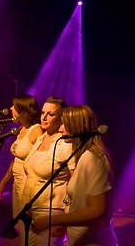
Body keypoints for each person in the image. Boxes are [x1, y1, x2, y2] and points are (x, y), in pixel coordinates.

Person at [32, 104, 117, 246]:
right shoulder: (84, 156)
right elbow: (81, 204)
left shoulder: (93, 158)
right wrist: (66, 225)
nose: (60, 129)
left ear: (79, 126)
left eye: (64, 124)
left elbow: (98, 211)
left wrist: (51, 220)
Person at [21, 96, 75, 246]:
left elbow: (76, 181)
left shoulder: (65, 143)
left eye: (50, 114)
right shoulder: (40, 139)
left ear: (61, 118)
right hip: (31, 209)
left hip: (52, 211)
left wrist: (66, 218)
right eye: (43, 112)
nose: (44, 117)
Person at [0, 94, 43, 241]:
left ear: (22, 110)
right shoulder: (21, 129)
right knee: (19, 224)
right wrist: (3, 182)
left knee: (27, 225)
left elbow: (40, 161)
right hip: (17, 183)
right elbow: (17, 160)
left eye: (14, 107)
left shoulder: (36, 131)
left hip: (27, 185)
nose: (10, 109)